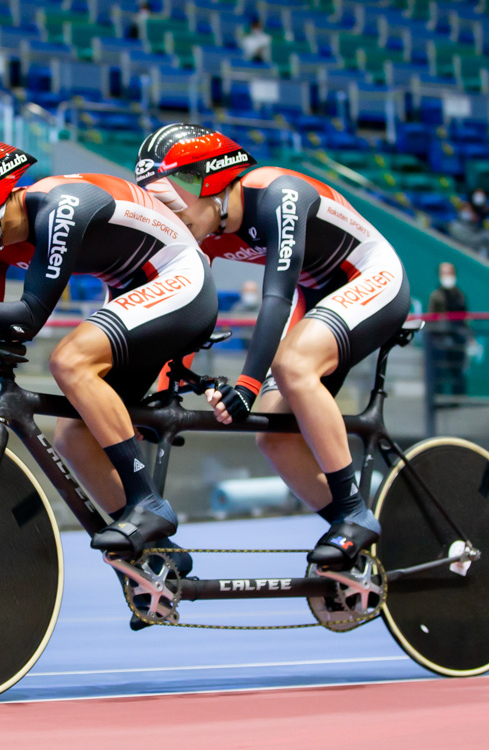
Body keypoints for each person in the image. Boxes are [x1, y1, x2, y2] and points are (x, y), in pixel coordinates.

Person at [0, 136, 218, 623]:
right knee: (75, 435)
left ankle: (148, 503)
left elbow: (26, 320)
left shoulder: (61, 207)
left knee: (71, 360)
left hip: (183, 282)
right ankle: (160, 556)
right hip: (138, 294)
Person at [135, 123, 411, 570]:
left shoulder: (278, 194)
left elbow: (276, 297)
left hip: (372, 277)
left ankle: (356, 515)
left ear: (210, 182)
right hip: (318, 293)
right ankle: (349, 528)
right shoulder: (203, 227)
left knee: (293, 365)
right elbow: (190, 312)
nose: (169, 216)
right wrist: (168, 384)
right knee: (274, 439)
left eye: (170, 200)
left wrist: (245, 384)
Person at [426, 262, 469, 396]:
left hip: (457, 337)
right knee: (439, 370)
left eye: (449, 273)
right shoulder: (436, 295)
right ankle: (438, 398)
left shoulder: (460, 295)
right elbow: (432, 316)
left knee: (457, 369)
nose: (446, 276)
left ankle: (458, 398)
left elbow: (465, 317)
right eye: (443, 273)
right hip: (440, 337)